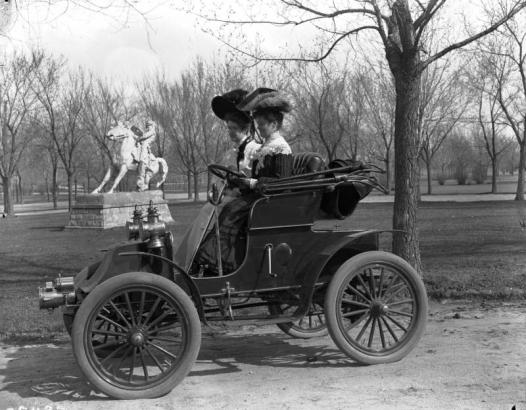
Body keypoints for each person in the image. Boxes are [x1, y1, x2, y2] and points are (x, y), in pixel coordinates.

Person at [194, 88, 294, 275]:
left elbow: (282, 183)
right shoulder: (265, 146)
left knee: (231, 210)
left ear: (274, 124)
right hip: (259, 197)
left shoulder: (281, 148)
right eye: (259, 123)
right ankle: (215, 263)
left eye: (262, 124)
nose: (259, 127)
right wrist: (243, 183)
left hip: (271, 201)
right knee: (229, 209)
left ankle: (219, 263)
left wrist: (251, 183)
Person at [173, 89, 261, 272]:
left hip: (243, 199)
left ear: (245, 128)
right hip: (227, 196)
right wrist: (218, 190)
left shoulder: (255, 151)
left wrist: (237, 186)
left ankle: (198, 261)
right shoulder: (232, 153)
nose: (229, 132)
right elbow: (224, 177)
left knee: (210, 210)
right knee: (206, 210)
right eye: (228, 128)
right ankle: (187, 262)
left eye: (233, 129)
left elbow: (255, 179)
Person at [136, 120, 157, 191]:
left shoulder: (152, 131)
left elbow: (144, 136)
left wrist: (138, 138)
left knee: (142, 158)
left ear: (152, 126)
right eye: (147, 126)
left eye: (149, 126)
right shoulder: (148, 131)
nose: (148, 127)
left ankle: (143, 163)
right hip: (142, 143)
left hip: (145, 146)